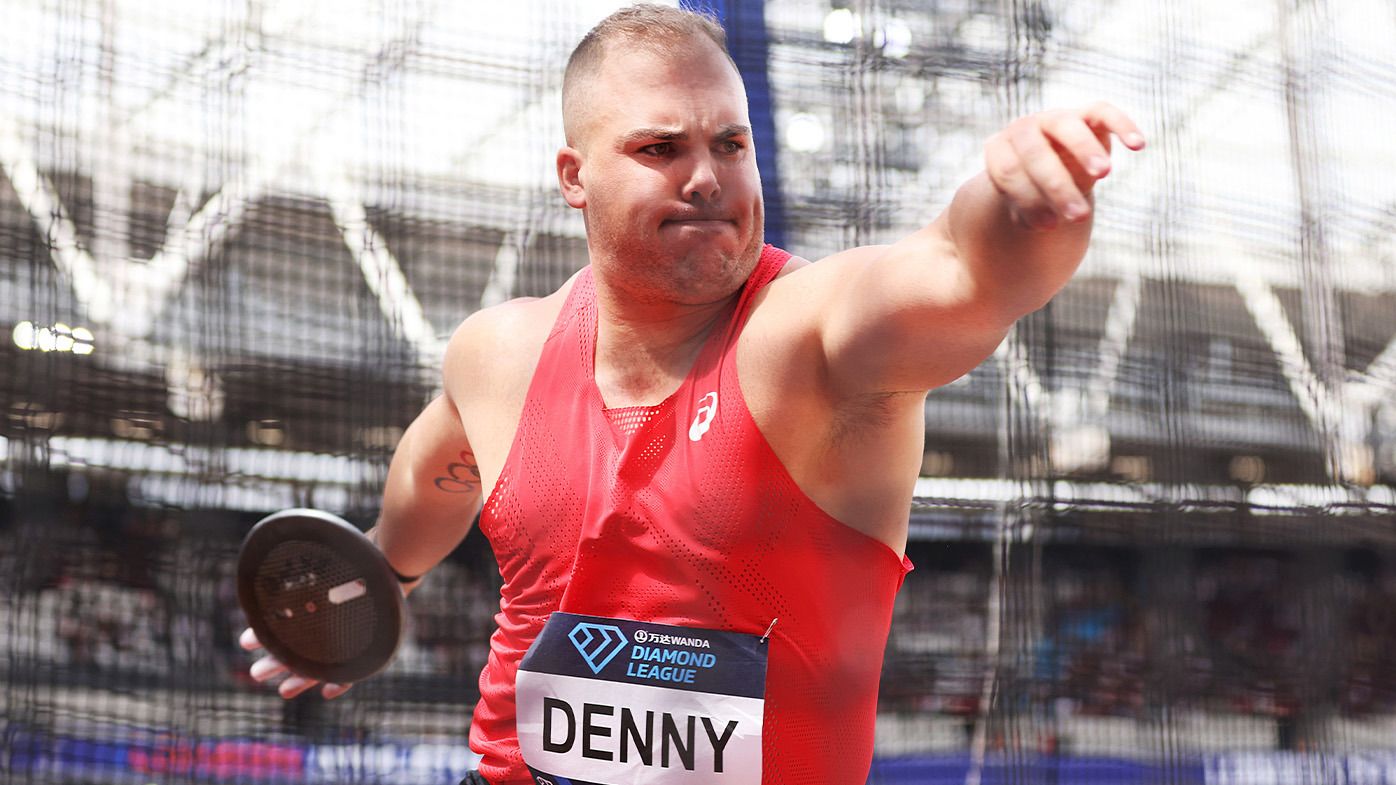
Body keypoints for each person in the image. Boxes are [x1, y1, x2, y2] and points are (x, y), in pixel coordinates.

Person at [242, 4, 1145, 784]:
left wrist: (1022, 200)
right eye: (659, 148)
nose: (707, 176)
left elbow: (959, 271)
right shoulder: (500, 352)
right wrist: (383, 571)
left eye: (730, 143)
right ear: (574, 177)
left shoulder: (808, 340)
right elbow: (440, 457)